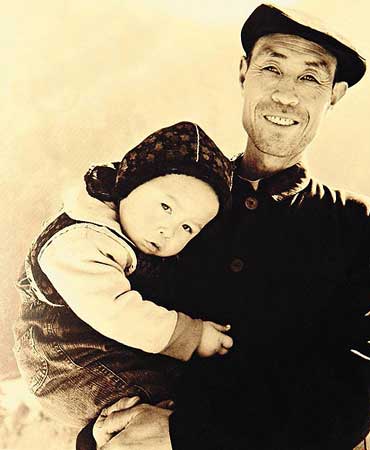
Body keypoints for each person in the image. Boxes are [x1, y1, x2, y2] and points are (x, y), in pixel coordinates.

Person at [78, 4, 370, 450]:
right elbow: (84, 324)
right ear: (242, 73)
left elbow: (348, 405)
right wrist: (97, 434)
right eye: (271, 68)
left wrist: (183, 432)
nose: (286, 95)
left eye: (310, 77)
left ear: (335, 94)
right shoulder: (168, 202)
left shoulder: (368, 231)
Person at [12, 121, 234, 427]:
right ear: (130, 184)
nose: (168, 230)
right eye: (166, 207)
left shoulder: (136, 229)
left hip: (113, 347)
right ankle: (119, 433)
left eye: (187, 227)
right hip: (68, 364)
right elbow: (118, 313)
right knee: (159, 410)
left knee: (192, 387)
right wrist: (190, 335)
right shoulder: (81, 241)